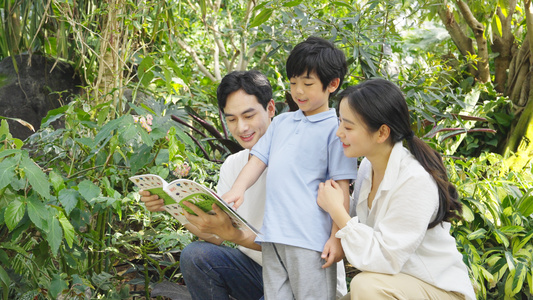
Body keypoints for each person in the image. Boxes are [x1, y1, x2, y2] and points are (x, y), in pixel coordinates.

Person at [140, 70, 349, 299]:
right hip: (255, 273)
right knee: (195, 255)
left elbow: (299, 242)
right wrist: (170, 205)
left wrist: (235, 235)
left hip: (305, 275)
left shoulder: (301, 159)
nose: (241, 128)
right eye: (231, 119)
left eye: (248, 116)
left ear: (270, 109)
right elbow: (215, 236)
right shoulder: (233, 165)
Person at [222, 37, 358, 299]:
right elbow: (258, 160)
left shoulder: (336, 130)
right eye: (293, 82)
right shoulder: (281, 123)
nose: (298, 91)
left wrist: (337, 238)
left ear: (332, 84)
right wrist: (237, 189)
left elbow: (341, 188)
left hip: (311, 241)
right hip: (273, 237)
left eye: (307, 84)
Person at [317, 78, 476, 300]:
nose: (339, 133)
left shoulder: (415, 181)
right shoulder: (367, 167)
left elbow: (385, 258)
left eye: (348, 126)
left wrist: (336, 210)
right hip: (399, 284)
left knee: (365, 286)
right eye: (340, 122)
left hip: (439, 290)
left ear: (382, 133)